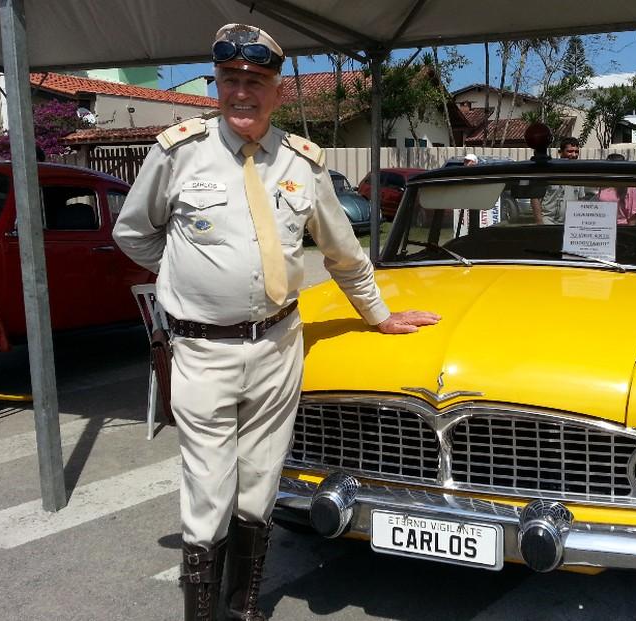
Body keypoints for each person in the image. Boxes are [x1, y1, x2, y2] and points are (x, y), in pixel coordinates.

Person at [112, 23, 440, 621]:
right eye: (232, 80)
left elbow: (343, 253)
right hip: (202, 351)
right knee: (208, 488)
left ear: (277, 91)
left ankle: (243, 608)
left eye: (256, 81)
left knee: (261, 483)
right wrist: (184, 274)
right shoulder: (177, 152)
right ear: (217, 83)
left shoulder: (303, 162)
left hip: (278, 344)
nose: (243, 92)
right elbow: (133, 232)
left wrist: (380, 315)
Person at [532, 137, 583, 224]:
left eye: (576, 152)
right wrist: (539, 222)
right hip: (547, 222)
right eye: (570, 151)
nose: (574, 155)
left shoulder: (579, 175)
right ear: (560, 152)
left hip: (570, 224)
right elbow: (535, 198)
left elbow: (581, 200)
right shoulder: (549, 172)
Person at [597, 153, 636, 225]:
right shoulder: (603, 185)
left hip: (621, 229)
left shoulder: (630, 187)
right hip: (603, 228)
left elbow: (633, 216)